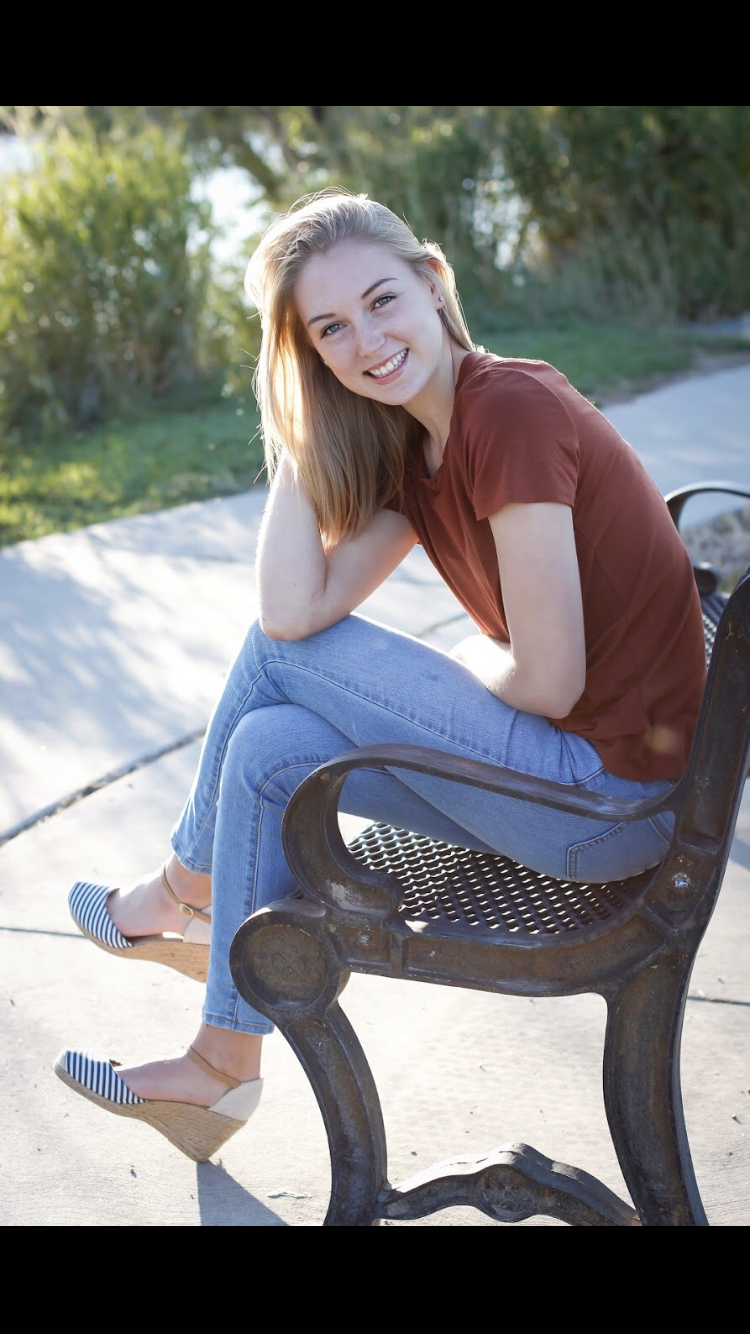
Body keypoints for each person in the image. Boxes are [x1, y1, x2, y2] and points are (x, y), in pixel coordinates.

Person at [54, 187, 707, 1162]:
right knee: (270, 745)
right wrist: (299, 424)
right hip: (577, 788)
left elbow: (549, 680)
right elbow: (294, 606)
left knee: (283, 669)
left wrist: (453, 679)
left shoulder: (509, 411)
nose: (366, 341)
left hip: (612, 807)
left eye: (381, 301)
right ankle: (221, 1063)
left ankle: (180, 889)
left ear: (434, 281)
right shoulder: (419, 451)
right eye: (330, 330)